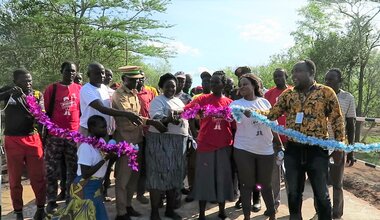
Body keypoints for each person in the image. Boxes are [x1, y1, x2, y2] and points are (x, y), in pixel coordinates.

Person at [264, 60, 345, 220]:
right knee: (293, 192)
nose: (294, 75)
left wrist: (339, 147)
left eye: (298, 71)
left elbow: (337, 120)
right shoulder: (288, 94)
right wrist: (250, 111)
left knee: (321, 193)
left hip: (317, 151)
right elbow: (272, 114)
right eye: (293, 71)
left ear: (311, 73)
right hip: (293, 150)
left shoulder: (326, 92)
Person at [112, 66, 167, 220]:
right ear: (124, 79)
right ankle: (121, 212)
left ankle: (128, 205)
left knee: (134, 178)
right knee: (123, 178)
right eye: (133, 80)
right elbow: (132, 116)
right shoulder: (119, 95)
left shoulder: (134, 94)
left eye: (138, 80)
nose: (137, 83)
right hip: (125, 141)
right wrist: (152, 122)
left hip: (138, 139)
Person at [230, 74, 282, 220]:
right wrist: (241, 113)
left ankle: (272, 215)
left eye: (245, 84)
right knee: (247, 184)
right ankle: (246, 216)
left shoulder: (265, 103)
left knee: (265, 184)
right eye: (240, 84)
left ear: (254, 85)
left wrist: (279, 144)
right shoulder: (235, 105)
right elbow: (234, 118)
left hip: (265, 150)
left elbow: (273, 125)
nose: (242, 87)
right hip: (243, 149)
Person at [185, 71, 234, 220]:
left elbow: (236, 123)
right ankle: (201, 214)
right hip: (206, 144)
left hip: (224, 145)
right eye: (211, 82)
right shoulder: (202, 99)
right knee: (204, 179)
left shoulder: (230, 103)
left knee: (222, 178)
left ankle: (221, 211)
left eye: (216, 82)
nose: (212, 85)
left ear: (223, 85)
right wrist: (197, 112)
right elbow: (187, 113)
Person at [0, 69, 46, 220]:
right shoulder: (8, 90)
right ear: (15, 82)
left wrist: (25, 98)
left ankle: (41, 208)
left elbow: (40, 116)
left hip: (32, 139)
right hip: (12, 140)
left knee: (37, 176)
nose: (28, 83)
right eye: (24, 81)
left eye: (30, 80)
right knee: (14, 178)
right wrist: (8, 94)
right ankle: (18, 211)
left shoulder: (37, 94)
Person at [146, 73, 189, 220]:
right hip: (161, 143)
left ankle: (170, 210)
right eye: (168, 86)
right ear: (161, 87)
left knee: (175, 176)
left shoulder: (179, 102)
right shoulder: (158, 101)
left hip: (178, 144)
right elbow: (157, 119)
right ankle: (154, 212)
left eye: (173, 86)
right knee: (157, 177)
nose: (171, 88)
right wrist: (168, 119)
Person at [315, 68, 355, 219]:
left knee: (337, 183)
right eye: (325, 80)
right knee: (319, 181)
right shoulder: (318, 96)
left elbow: (350, 124)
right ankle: (321, 210)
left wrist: (350, 149)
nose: (327, 82)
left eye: (330, 80)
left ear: (340, 81)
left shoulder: (348, 98)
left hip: (339, 145)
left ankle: (337, 213)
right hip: (320, 144)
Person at [44, 61, 81, 213]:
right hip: (55, 136)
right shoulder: (52, 89)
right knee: (51, 169)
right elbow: (45, 111)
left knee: (73, 169)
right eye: (67, 71)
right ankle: (51, 201)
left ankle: (70, 199)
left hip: (74, 135)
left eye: (73, 71)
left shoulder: (79, 89)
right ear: (61, 71)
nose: (71, 73)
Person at [79, 62, 142, 137]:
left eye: (102, 73)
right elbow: (102, 108)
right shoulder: (86, 89)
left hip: (103, 130)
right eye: (97, 73)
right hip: (89, 130)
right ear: (89, 75)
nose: (101, 76)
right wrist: (127, 114)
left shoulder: (103, 87)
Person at [74, 115, 114, 220]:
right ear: (92, 129)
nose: (105, 129)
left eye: (105, 126)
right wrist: (105, 159)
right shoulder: (85, 147)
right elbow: (85, 174)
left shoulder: (101, 142)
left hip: (95, 187)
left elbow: (105, 164)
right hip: (85, 188)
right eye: (102, 127)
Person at [264, 68, 291, 211]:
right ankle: (274, 203)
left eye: (280, 76)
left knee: (290, 174)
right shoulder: (268, 94)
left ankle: (293, 205)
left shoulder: (294, 91)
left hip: (292, 140)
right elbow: (267, 117)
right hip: (274, 140)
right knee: (274, 174)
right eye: (275, 76)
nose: (277, 78)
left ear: (286, 76)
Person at [135, 70, 158, 204]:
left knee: (147, 164)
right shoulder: (129, 93)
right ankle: (136, 191)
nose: (140, 80)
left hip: (150, 132)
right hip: (135, 133)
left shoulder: (151, 92)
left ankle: (141, 192)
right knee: (137, 164)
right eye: (138, 78)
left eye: (142, 78)